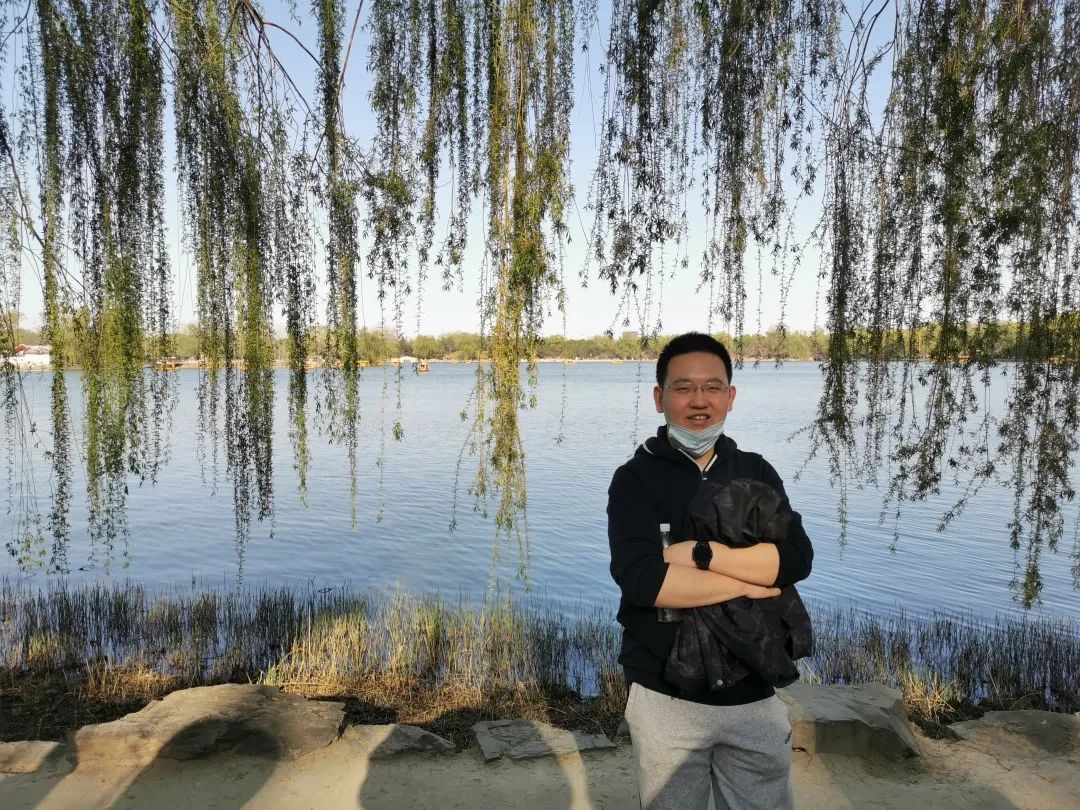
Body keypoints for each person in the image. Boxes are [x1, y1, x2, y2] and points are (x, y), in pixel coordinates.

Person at [607, 332, 814, 810]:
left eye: (712, 387)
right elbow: (645, 582)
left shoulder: (756, 472)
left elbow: (795, 558)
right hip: (665, 695)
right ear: (659, 397)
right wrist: (752, 581)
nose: (699, 401)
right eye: (683, 388)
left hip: (754, 687)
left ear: (730, 396)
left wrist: (703, 555)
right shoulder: (635, 480)